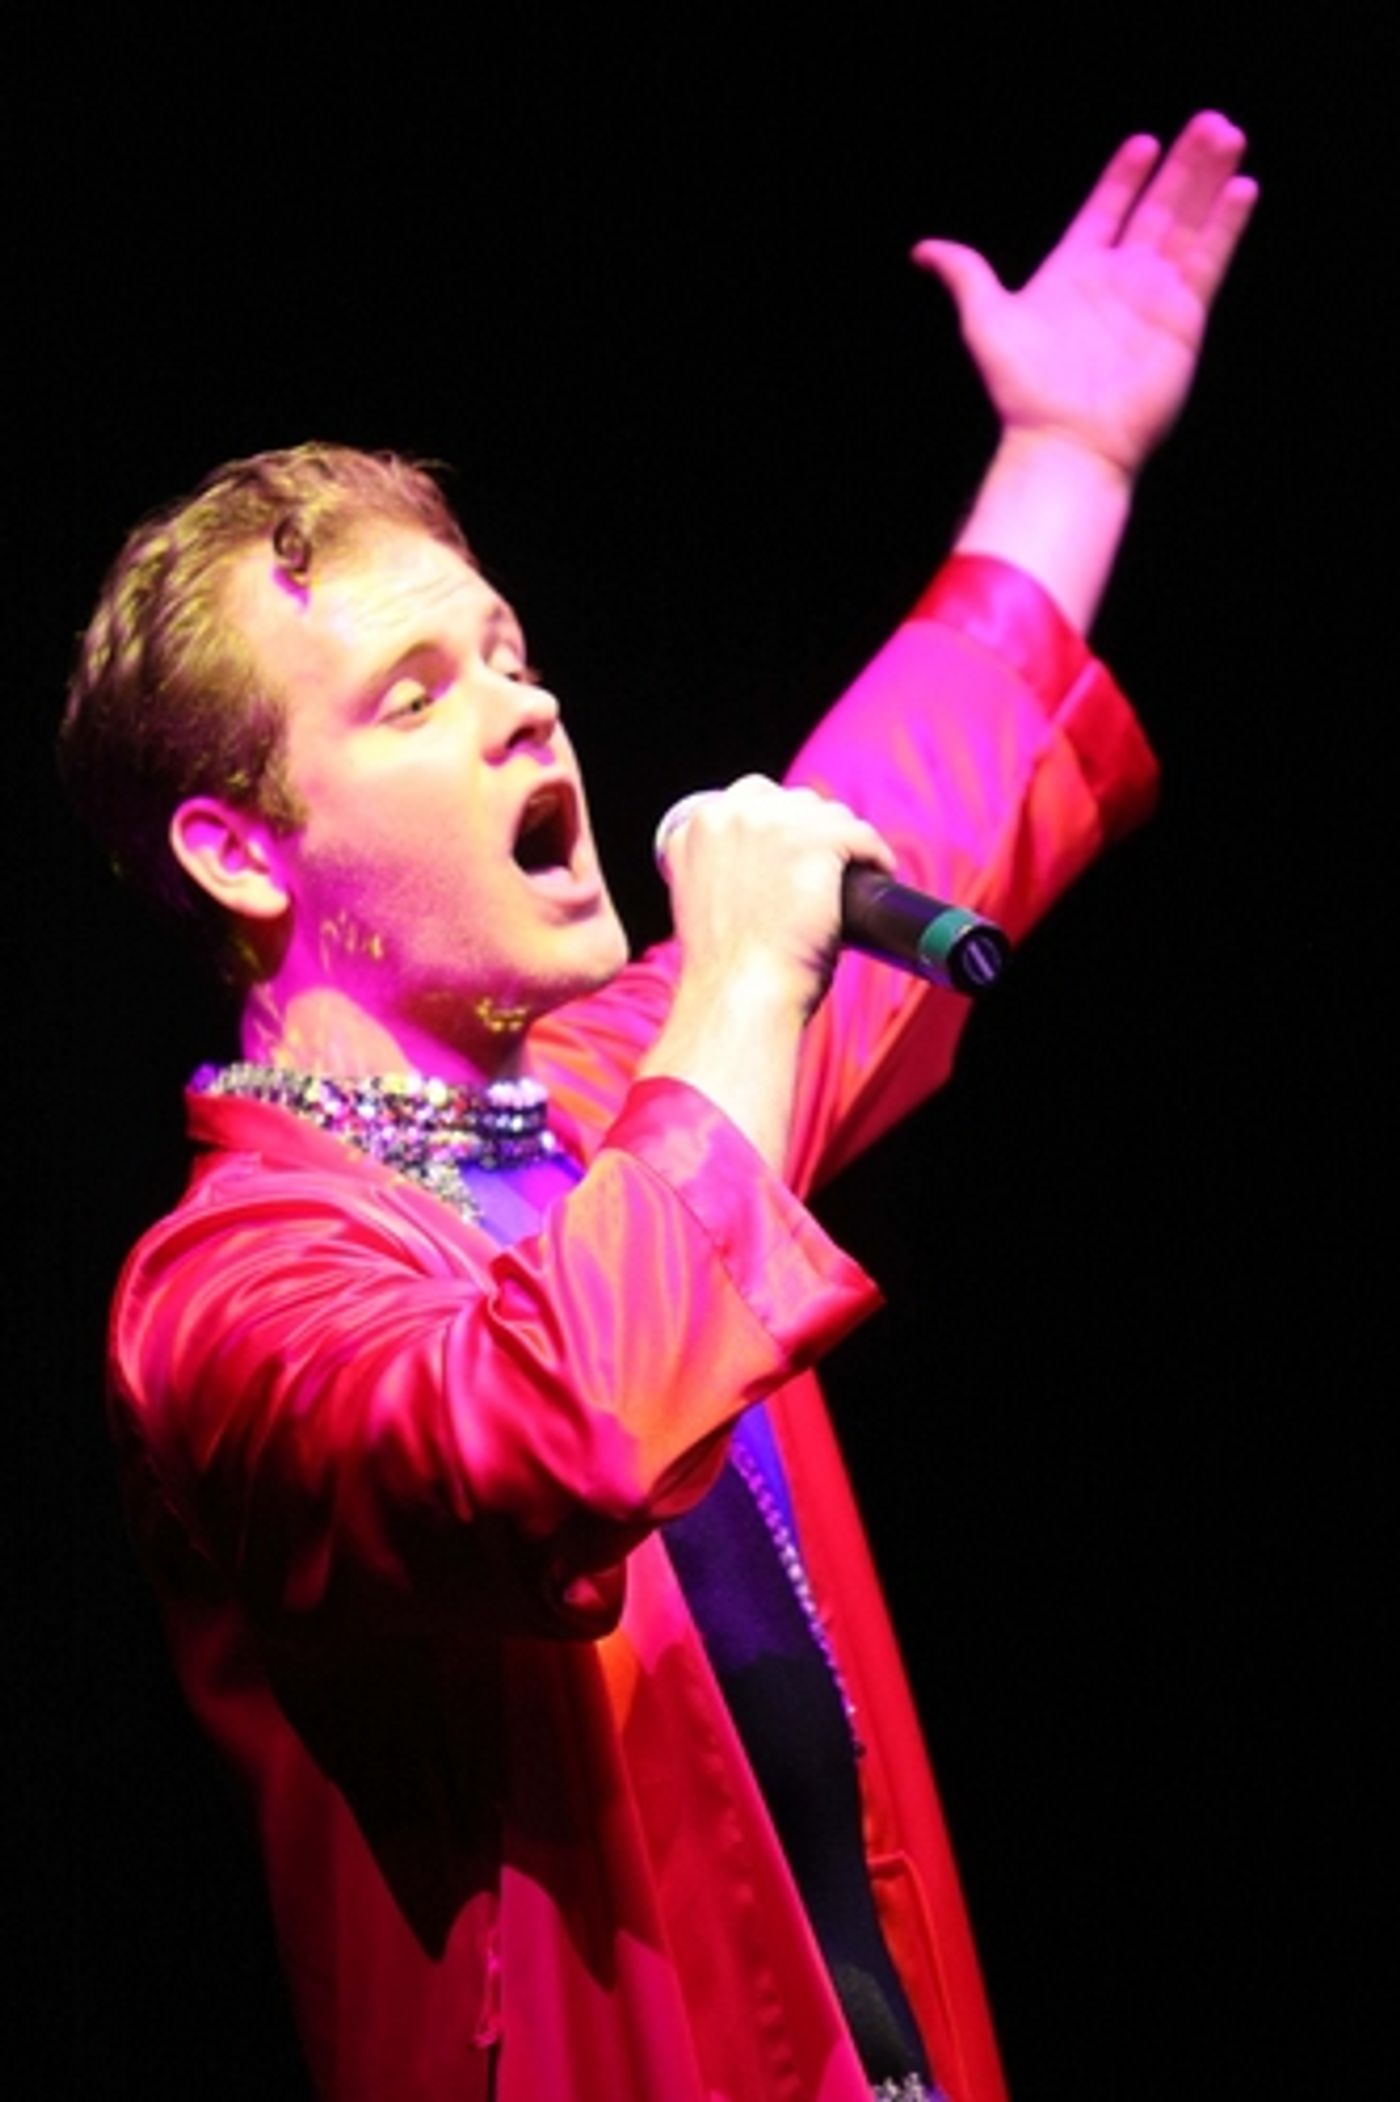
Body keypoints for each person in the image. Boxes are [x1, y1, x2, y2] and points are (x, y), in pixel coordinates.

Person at [61, 113, 1255, 2102]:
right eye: (417, 692)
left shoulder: (619, 1087)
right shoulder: (223, 1299)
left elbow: (923, 778)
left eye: (510, 651)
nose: (527, 703)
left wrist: (1065, 456)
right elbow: (543, 1429)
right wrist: (745, 981)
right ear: (242, 851)